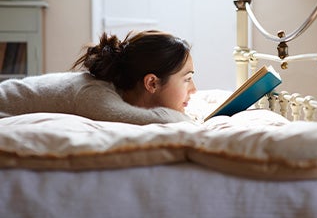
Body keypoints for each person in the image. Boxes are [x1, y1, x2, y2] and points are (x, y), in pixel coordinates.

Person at [0, 30, 197, 125]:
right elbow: (146, 119)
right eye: (187, 79)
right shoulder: (94, 95)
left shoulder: (113, 91)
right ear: (151, 83)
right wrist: (189, 121)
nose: (194, 89)